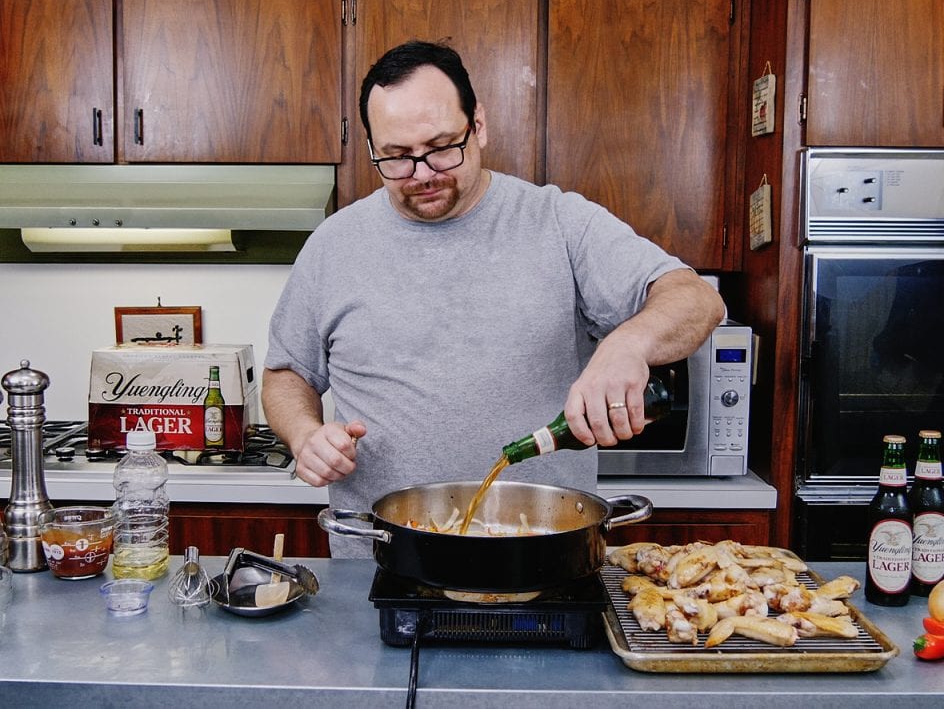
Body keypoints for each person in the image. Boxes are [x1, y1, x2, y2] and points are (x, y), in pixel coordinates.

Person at [262, 41, 725, 557]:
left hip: (540, 557)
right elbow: (287, 373)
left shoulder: (559, 222)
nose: (422, 173)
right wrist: (305, 435)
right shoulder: (335, 244)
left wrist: (627, 346)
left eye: (441, 147)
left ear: (477, 124)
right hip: (381, 561)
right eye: (395, 157)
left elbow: (696, 300)